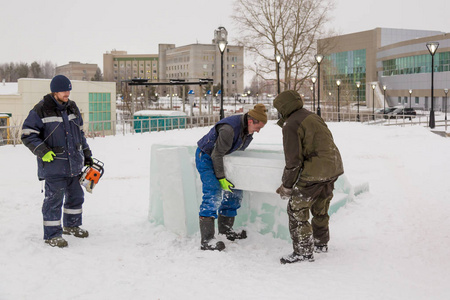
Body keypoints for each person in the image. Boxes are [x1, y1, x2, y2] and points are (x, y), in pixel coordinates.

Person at [21, 75, 93, 248]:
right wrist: (42, 151)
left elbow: (79, 135)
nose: (67, 93)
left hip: (74, 164)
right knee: (54, 200)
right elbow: (27, 134)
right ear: (55, 91)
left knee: (76, 197)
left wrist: (87, 155)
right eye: (64, 90)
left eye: (69, 89)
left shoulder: (72, 107)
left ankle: (72, 225)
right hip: (54, 165)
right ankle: (52, 235)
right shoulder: (41, 110)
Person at [273, 90, 344, 264]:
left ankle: (303, 252)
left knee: (296, 210)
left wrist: (287, 186)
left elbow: (293, 161)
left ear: (283, 107)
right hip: (333, 167)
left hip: (315, 172)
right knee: (320, 207)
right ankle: (321, 242)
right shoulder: (311, 116)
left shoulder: (291, 124)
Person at [195, 104, 267, 251]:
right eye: (258, 127)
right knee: (213, 191)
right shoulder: (229, 129)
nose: (258, 131)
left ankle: (226, 230)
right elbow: (216, 154)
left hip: (223, 159)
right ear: (250, 121)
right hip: (207, 157)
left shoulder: (247, 131)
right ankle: (207, 240)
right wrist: (221, 178)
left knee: (235, 191)